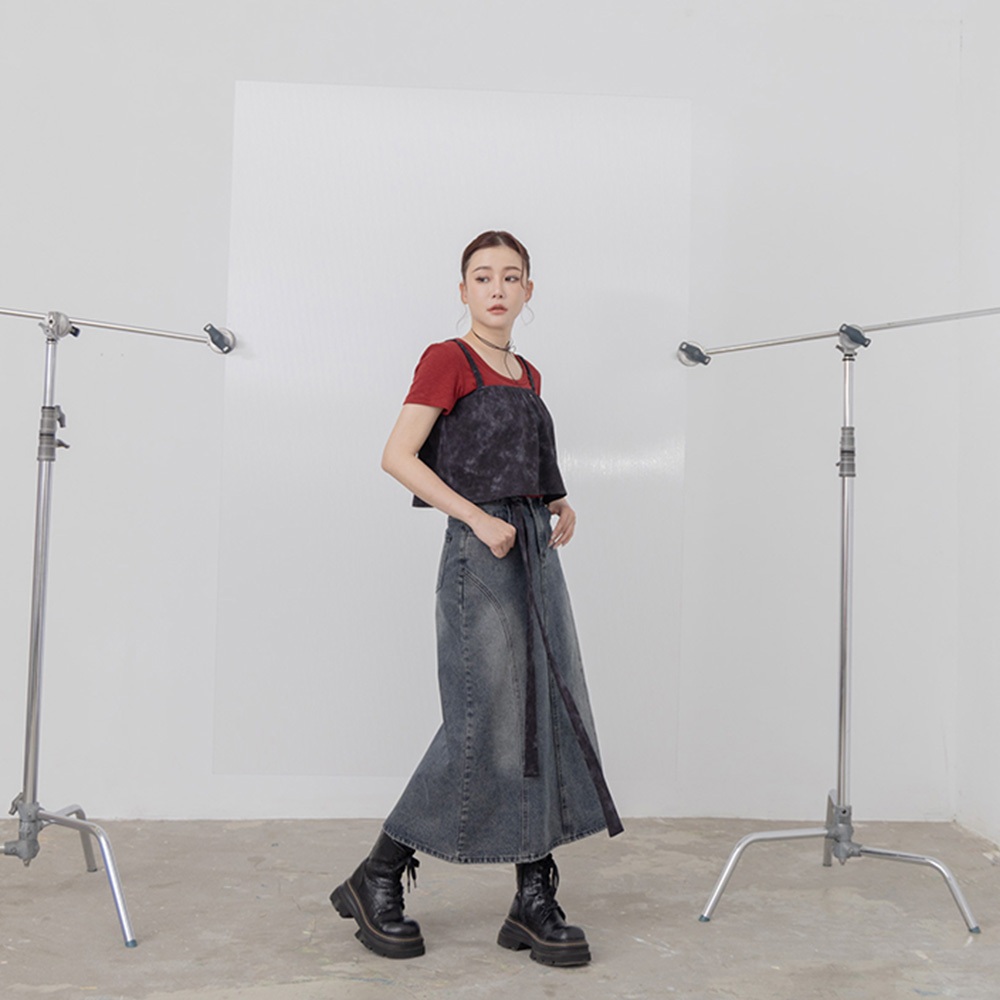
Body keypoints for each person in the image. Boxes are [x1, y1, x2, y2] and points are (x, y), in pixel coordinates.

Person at [330, 230, 622, 967]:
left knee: (540, 712)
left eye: (510, 277)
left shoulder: (527, 373)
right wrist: (478, 518)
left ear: (529, 291)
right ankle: (379, 872)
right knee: (487, 719)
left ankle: (532, 897)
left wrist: (556, 500)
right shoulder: (447, 359)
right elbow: (398, 455)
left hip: (532, 550)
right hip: (481, 555)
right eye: (482, 277)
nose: (496, 289)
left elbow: (516, 458)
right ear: (462, 290)